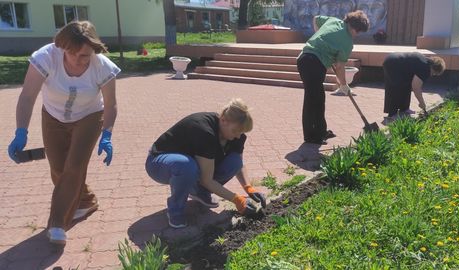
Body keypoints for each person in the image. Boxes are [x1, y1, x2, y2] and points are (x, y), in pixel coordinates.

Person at [7, 21, 121, 244]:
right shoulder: (45, 57)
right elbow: (27, 96)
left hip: (89, 116)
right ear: (62, 46)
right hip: (52, 115)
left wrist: (107, 134)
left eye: (85, 56)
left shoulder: (103, 67)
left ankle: (57, 224)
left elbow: (111, 104)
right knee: (58, 168)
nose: (77, 60)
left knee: (74, 167)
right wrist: (21, 131)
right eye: (71, 53)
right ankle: (86, 201)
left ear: (94, 51)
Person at [145, 99, 267, 229]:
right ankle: (175, 210)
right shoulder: (204, 131)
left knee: (234, 161)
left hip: (191, 164)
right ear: (224, 120)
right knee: (186, 166)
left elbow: (239, 165)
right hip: (159, 163)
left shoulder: (237, 135)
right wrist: (237, 200)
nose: (238, 136)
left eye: (241, 132)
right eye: (235, 131)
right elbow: (206, 180)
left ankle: (199, 192)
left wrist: (248, 187)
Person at [297, 10, 369, 145]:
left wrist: (320, 37)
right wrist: (343, 85)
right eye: (358, 32)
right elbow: (340, 67)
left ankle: (320, 131)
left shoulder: (333, 21)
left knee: (317, 98)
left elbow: (316, 18)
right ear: (355, 28)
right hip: (314, 63)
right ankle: (312, 136)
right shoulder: (347, 42)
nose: (357, 35)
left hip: (304, 58)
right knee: (313, 100)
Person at [382, 52, 445, 123]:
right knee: (396, 88)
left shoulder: (426, 61)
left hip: (397, 61)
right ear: (434, 69)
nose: (432, 75)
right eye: (434, 73)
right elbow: (416, 88)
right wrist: (422, 103)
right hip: (392, 63)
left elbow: (413, 84)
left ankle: (404, 108)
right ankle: (392, 114)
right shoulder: (425, 68)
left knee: (406, 84)